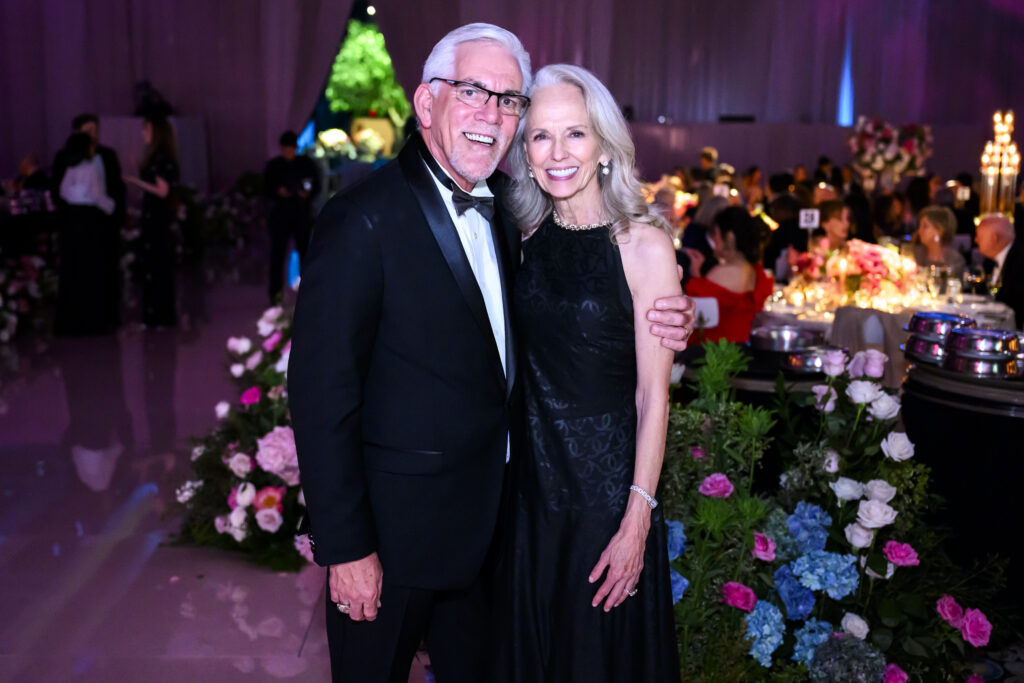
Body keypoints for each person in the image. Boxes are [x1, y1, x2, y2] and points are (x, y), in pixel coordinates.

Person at [286, 24, 695, 683]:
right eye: (474, 92)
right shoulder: (366, 218)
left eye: (507, 101)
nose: (491, 115)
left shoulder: (515, 218)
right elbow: (320, 392)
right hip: (403, 534)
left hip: (514, 524)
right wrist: (346, 544)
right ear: (426, 104)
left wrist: (676, 318)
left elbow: (618, 344)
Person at [497, 63, 681, 683]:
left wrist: (638, 517)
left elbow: (653, 397)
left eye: (574, 134)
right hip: (531, 498)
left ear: (604, 143)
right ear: (523, 149)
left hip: (607, 502)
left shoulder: (644, 244)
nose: (557, 153)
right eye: (539, 136)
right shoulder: (520, 235)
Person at [52, 114, 126, 327]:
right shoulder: (64, 158)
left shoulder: (108, 156)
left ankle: (107, 315)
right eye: (87, 131)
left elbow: (116, 189)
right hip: (78, 225)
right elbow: (59, 191)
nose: (93, 135)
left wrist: (115, 216)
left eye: (95, 130)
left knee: (104, 272)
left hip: (102, 225)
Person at [685, 206, 774, 343]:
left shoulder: (720, 272)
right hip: (741, 349)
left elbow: (701, 308)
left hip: (713, 351)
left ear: (729, 237)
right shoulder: (755, 271)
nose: (713, 239)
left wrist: (694, 272)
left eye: (715, 233)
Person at [124, 115, 179, 328]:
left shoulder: (160, 158)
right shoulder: (160, 157)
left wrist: (136, 181)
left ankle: (159, 316)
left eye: (146, 129)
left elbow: (162, 190)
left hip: (157, 219)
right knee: (155, 266)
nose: (143, 134)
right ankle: (155, 316)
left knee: (157, 266)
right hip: (156, 218)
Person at [264, 130, 321, 302]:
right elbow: (266, 188)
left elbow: (316, 185)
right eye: (286, 149)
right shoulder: (274, 166)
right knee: (277, 255)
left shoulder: (306, 164)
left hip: (301, 215)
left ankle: (308, 293)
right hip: (281, 216)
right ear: (282, 149)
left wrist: (307, 194)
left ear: (296, 148)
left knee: (306, 255)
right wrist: (277, 192)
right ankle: (275, 294)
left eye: (292, 148)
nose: (289, 152)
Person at [976, 213, 1023, 327]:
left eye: (979, 236)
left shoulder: (1020, 260)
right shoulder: (989, 261)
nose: (976, 240)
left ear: (994, 238)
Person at [913, 205, 965, 276]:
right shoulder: (915, 255)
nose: (919, 231)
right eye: (920, 226)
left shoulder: (955, 260)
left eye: (925, 226)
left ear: (939, 230)